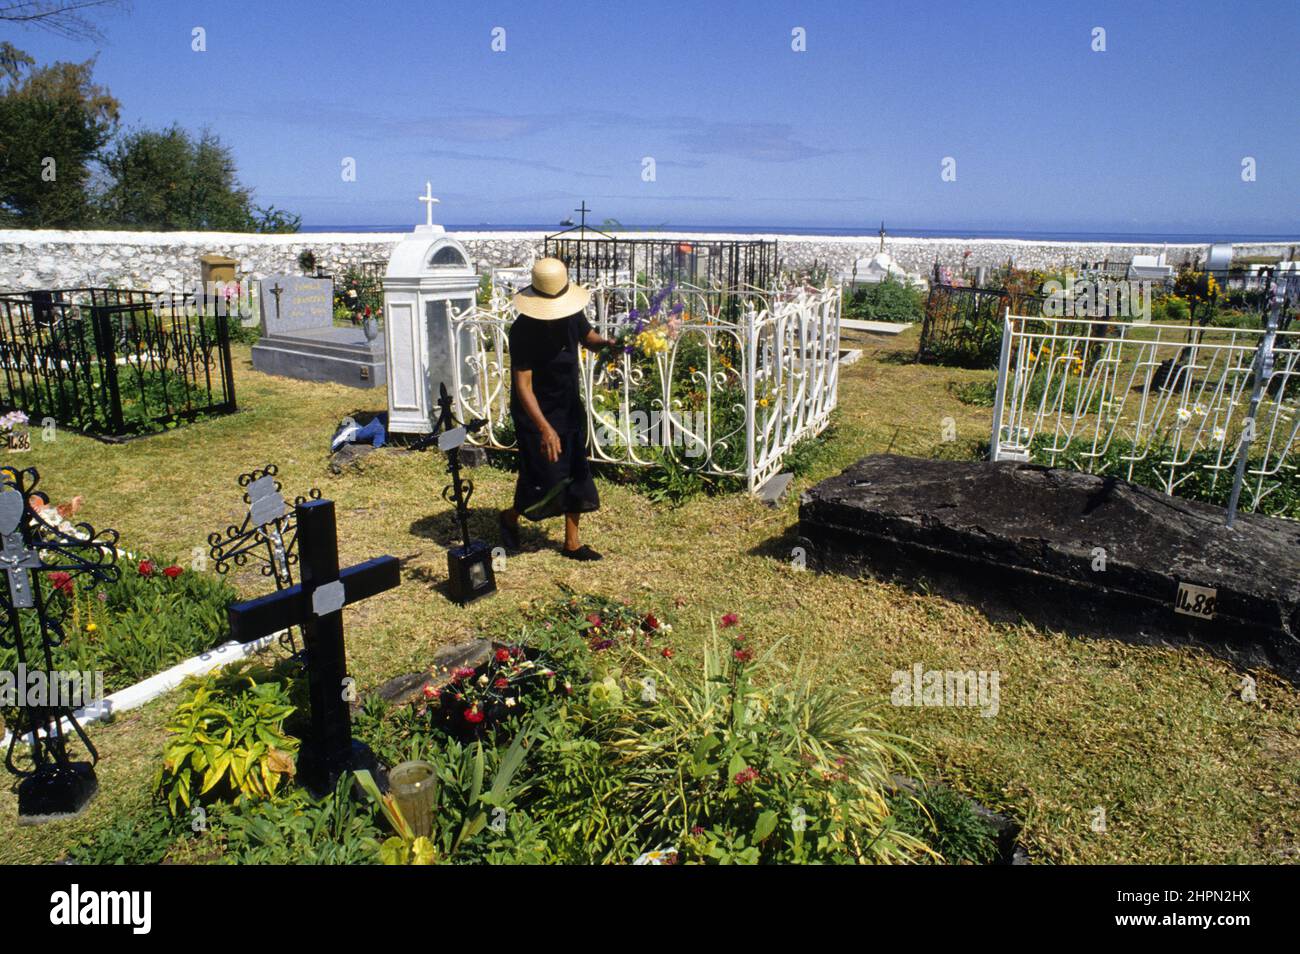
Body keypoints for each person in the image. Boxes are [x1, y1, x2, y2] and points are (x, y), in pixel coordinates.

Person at [498, 258, 615, 560]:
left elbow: (589, 339)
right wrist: (545, 428)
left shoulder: (571, 314)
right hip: (535, 412)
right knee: (542, 477)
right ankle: (509, 517)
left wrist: (612, 344)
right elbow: (523, 386)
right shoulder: (523, 330)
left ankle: (571, 544)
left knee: (576, 470)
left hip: (567, 405)